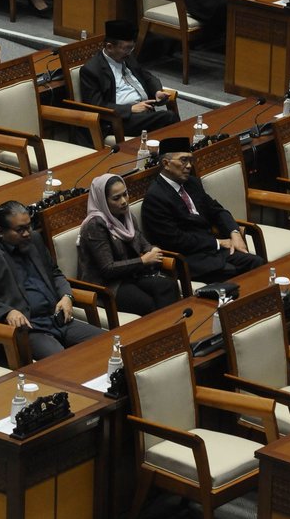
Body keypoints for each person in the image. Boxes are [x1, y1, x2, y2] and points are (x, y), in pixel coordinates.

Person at [0, 200, 103, 360]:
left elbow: (55, 273)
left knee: (105, 343)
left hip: (57, 318)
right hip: (29, 328)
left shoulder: (35, 239)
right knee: (63, 362)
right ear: (1, 231)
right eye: (20, 230)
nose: (26, 233)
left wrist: (67, 296)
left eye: (28, 227)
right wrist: (8, 311)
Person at [141, 137, 264, 282]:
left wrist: (234, 232)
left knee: (256, 263)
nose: (189, 166)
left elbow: (216, 210)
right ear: (166, 163)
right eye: (183, 160)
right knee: (235, 274)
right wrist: (217, 243)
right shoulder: (155, 198)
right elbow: (175, 240)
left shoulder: (191, 183)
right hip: (190, 259)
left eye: (190, 160)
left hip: (213, 250)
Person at [78, 174, 179, 315]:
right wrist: (143, 261)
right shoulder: (95, 225)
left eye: (125, 194)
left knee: (168, 286)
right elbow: (107, 268)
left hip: (131, 275)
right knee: (146, 304)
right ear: (103, 201)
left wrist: (152, 249)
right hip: (107, 285)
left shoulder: (126, 216)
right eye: (116, 198)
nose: (124, 201)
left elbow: (143, 243)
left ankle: (174, 330)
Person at [79, 19, 179, 136]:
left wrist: (157, 91)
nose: (129, 52)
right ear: (110, 47)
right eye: (126, 48)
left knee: (167, 124)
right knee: (169, 117)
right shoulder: (92, 70)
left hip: (144, 112)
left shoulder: (126, 57)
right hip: (118, 120)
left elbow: (147, 77)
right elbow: (96, 105)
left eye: (131, 48)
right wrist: (130, 109)